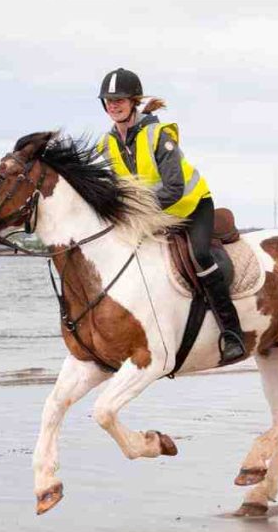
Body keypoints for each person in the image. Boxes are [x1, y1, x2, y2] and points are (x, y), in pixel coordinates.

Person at [95, 68, 246, 364]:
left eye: (119, 99)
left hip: (191, 208)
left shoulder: (158, 134)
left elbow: (175, 188)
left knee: (201, 256)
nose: (114, 105)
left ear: (133, 101)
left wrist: (136, 212)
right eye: (109, 100)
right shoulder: (107, 144)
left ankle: (232, 332)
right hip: (153, 216)